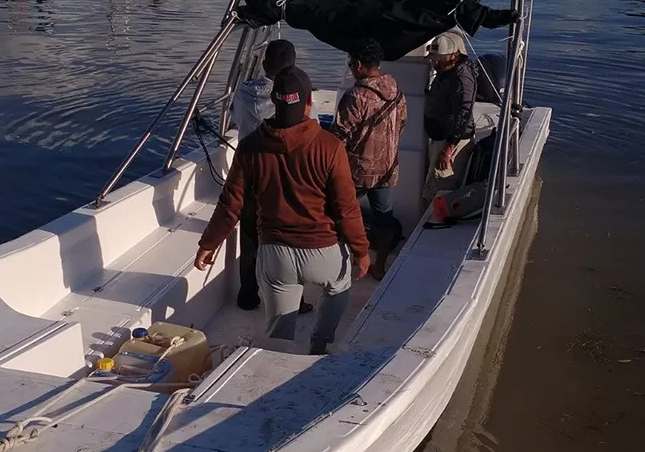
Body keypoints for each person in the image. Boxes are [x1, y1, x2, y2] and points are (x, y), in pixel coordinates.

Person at [195, 66, 370, 355]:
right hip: (324, 251)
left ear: (275, 102)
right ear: (308, 103)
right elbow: (346, 208)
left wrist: (208, 244)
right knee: (338, 288)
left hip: (276, 256)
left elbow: (231, 203)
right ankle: (320, 344)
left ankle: (277, 357)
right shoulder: (331, 146)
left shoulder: (250, 146)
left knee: (277, 340)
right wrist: (361, 251)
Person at [332, 37, 407, 280]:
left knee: (340, 215)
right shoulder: (395, 88)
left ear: (359, 65)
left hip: (358, 171)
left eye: (351, 63)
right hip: (387, 169)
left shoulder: (356, 95)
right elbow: (402, 123)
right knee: (384, 220)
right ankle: (379, 266)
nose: (350, 67)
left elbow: (339, 135)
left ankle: (347, 263)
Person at [230, 38, 296, 309]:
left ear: (265, 63)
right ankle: (288, 299)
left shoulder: (242, 91)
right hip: (280, 177)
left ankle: (247, 294)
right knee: (286, 237)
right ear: (292, 67)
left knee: (249, 236)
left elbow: (236, 118)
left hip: (249, 174)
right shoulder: (292, 97)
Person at [422, 31, 478, 202]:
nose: (435, 63)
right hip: (438, 139)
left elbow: (464, 113)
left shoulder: (462, 80)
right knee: (431, 183)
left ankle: (435, 223)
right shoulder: (446, 71)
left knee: (440, 188)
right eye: (433, 59)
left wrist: (448, 149)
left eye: (439, 59)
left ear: (454, 56)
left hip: (449, 143)